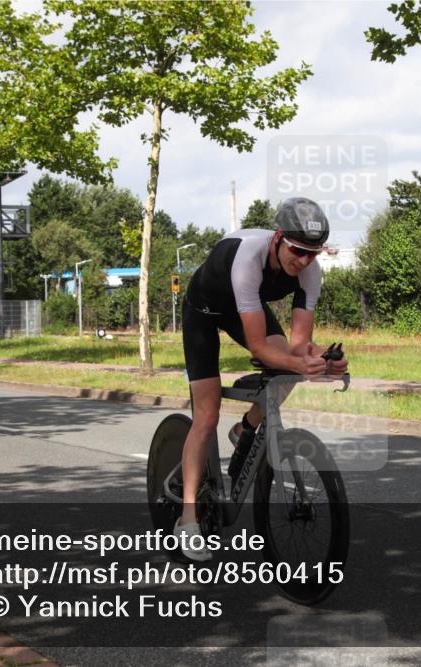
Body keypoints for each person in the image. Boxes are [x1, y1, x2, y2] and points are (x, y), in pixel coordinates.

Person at [176, 197, 349, 561]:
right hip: (203, 312)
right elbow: (258, 347)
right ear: (278, 238)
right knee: (206, 415)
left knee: (287, 366)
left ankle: (246, 428)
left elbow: (298, 347)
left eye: (312, 254)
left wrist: (323, 361)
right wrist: (301, 364)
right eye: (297, 250)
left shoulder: (310, 272)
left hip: (243, 310)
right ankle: (188, 519)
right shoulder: (248, 260)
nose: (303, 261)